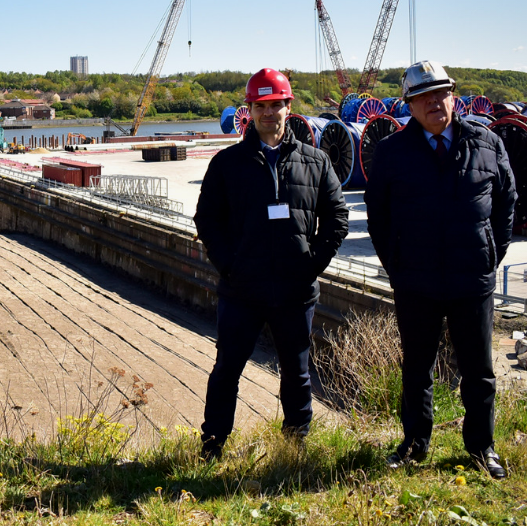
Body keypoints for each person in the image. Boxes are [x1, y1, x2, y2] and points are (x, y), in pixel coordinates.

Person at [364, 60, 516, 479]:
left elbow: (507, 202)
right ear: (409, 106)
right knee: (416, 368)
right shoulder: (393, 152)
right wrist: (396, 262)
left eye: (441, 93)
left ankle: (481, 446)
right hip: (416, 281)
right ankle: (414, 444)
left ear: (454, 95)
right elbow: (378, 216)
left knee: (479, 370)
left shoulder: (486, 143)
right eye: (424, 97)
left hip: (472, 278)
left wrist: (490, 254)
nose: (435, 102)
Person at [194, 68, 349, 460]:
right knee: (227, 370)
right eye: (260, 105)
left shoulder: (315, 162)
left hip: (296, 291)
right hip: (242, 290)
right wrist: (229, 265)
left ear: (288, 107)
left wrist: (311, 264)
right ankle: (212, 447)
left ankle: (294, 448)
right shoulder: (227, 164)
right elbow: (207, 219)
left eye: (275, 105)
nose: (268, 113)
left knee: (297, 374)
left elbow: (337, 217)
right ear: (250, 109)